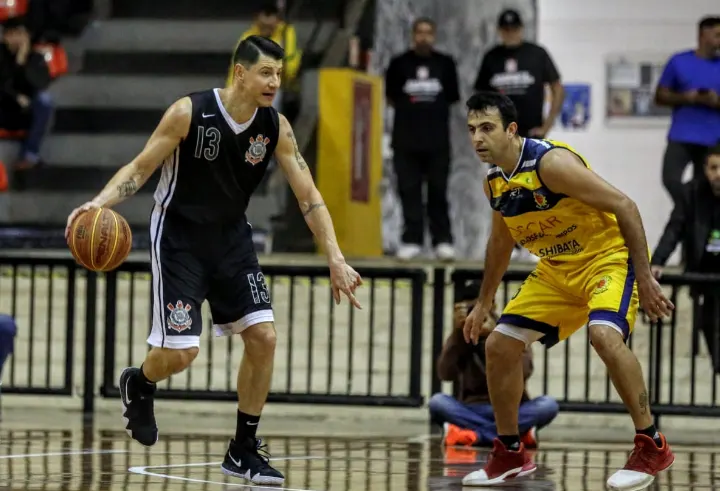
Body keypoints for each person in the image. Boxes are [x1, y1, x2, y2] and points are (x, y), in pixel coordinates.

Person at [64, 36, 363, 486]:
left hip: (231, 239)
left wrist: (335, 257)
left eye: (279, 74)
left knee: (263, 336)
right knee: (182, 353)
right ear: (239, 72)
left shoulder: (275, 127)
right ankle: (141, 383)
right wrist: (98, 204)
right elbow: (140, 168)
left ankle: (243, 450)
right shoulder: (189, 112)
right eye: (266, 72)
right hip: (180, 239)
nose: (274, 82)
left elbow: (309, 195)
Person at [460, 91, 675, 490]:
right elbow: (500, 244)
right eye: (472, 129)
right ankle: (509, 452)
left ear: (511, 130)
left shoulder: (551, 163)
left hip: (606, 260)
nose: (477, 138)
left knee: (604, 337)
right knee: (499, 346)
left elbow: (625, 206)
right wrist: (483, 302)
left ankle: (651, 444)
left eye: (487, 128)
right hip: (557, 270)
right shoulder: (495, 180)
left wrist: (645, 278)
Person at [428, 280, 558, 448]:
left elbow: (525, 370)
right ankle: (512, 436)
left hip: (512, 409)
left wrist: (492, 338)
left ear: (493, 305)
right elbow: (445, 373)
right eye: (469, 310)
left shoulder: (510, 331)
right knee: (438, 402)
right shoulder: (461, 335)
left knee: (548, 405)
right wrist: (457, 334)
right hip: (472, 408)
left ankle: (474, 435)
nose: (475, 315)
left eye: (478, 309)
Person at [384, 17, 460, 261]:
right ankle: (412, 240)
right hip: (406, 141)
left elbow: (451, 97)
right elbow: (392, 98)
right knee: (409, 191)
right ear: (412, 35)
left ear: (434, 36)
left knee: (438, 191)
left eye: (428, 32)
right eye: (419, 32)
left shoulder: (445, 64)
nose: (424, 37)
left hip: (437, 142)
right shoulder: (398, 64)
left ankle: (443, 241)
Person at [651, 142, 720, 375]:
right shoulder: (691, 194)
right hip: (704, 273)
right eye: (713, 168)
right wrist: (657, 261)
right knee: (709, 325)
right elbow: (674, 230)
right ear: (705, 169)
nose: (718, 175)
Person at [654, 16, 720, 205]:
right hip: (681, 136)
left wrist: (715, 101)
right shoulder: (679, 61)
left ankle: (697, 224)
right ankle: (689, 210)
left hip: (713, 139)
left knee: (706, 186)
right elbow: (660, 96)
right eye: (717, 35)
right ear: (702, 35)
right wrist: (688, 97)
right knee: (670, 179)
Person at [226, 2, 301, 116]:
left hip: (278, 85)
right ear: (256, 20)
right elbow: (235, 71)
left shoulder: (286, 33)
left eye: (270, 26)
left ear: (278, 20)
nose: (266, 29)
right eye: (263, 26)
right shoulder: (247, 38)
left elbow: (290, 68)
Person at [0, 16, 54, 170]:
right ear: (5, 37)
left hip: (25, 111)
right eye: (13, 34)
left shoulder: (35, 58)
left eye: (21, 34)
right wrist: (15, 96)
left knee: (45, 100)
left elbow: (40, 84)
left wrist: (21, 61)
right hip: (4, 106)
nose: (17, 39)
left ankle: (30, 154)